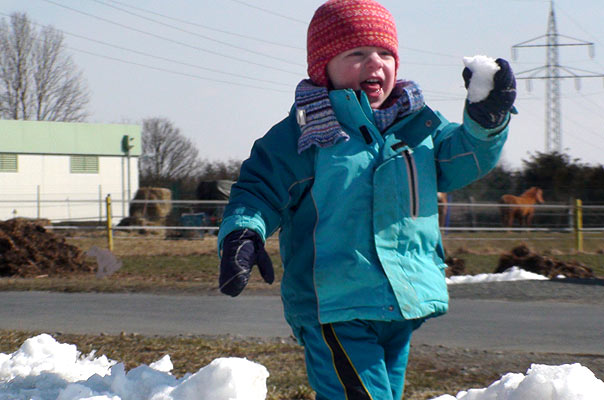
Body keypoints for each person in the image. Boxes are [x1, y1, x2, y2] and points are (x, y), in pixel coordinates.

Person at [217, 0, 516, 398]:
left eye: (385, 53)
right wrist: (242, 234)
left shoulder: (419, 126)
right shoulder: (305, 136)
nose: (375, 63)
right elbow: (258, 192)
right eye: (357, 54)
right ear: (323, 66)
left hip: (400, 302)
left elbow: (462, 158)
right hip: (336, 306)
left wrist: (486, 121)